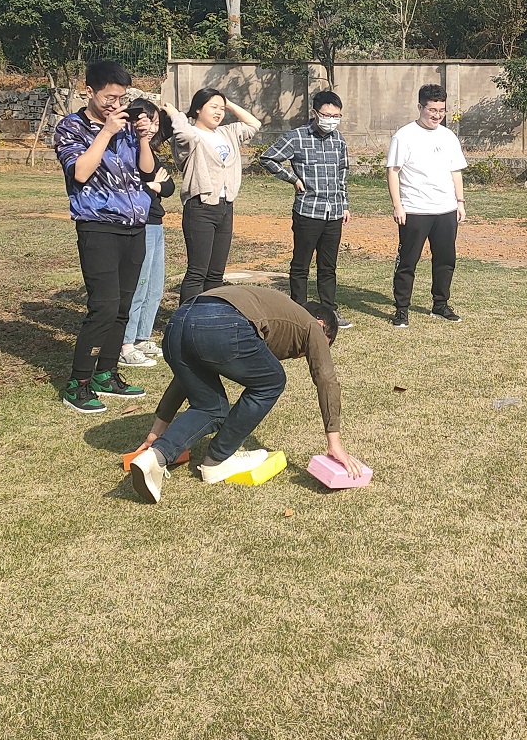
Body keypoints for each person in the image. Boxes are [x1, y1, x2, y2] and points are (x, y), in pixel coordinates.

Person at [128, 285, 366, 504]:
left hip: (177, 323)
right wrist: (334, 443)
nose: (303, 356)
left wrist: (156, 431)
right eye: (321, 346)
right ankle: (218, 459)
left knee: (210, 408)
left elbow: (184, 379)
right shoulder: (311, 324)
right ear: (321, 325)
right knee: (273, 381)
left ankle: (155, 457)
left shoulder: (273, 311)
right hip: (222, 322)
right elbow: (326, 379)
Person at [51, 61, 157, 413]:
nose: (116, 104)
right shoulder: (71, 127)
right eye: (110, 97)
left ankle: (106, 373)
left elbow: (147, 171)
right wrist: (106, 132)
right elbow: (80, 172)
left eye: (122, 98)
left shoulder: (126, 128)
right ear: (90, 92)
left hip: (135, 225)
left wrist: (144, 139)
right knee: (104, 305)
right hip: (97, 225)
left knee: (123, 305)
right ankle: (78, 382)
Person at [259, 89, 353, 329]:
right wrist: (292, 179)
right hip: (308, 210)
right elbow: (268, 158)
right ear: (315, 113)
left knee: (328, 266)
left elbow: (343, 173)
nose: (331, 120)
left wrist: (344, 204)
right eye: (327, 115)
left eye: (336, 116)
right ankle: (298, 311)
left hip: (334, 212)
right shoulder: (297, 137)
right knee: (301, 264)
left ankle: (329, 311)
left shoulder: (339, 140)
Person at [159, 88, 262, 303]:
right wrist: (176, 115)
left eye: (221, 109)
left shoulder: (226, 133)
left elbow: (254, 124)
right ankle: (186, 316)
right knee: (197, 271)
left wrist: (228, 103)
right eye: (213, 107)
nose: (219, 112)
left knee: (216, 273)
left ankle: (209, 315)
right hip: (200, 207)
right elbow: (185, 134)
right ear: (198, 109)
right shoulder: (189, 134)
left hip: (225, 206)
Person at [386, 83, 468, 328]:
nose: (437, 115)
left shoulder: (448, 136)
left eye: (441, 110)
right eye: (432, 110)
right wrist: (398, 205)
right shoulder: (404, 136)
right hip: (415, 210)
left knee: (445, 260)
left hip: (445, 210)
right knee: (408, 262)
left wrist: (460, 202)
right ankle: (401, 309)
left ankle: (440, 305)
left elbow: (455, 171)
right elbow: (393, 171)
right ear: (420, 107)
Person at [119, 100, 175, 369]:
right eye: (146, 121)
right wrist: (151, 185)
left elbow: (169, 187)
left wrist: (154, 185)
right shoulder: (125, 151)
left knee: (154, 286)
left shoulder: (149, 151)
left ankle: (142, 337)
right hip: (139, 224)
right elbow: (133, 185)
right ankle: (125, 344)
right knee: (139, 286)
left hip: (156, 222)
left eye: (155, 122)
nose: (152, 127)